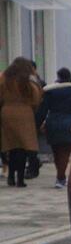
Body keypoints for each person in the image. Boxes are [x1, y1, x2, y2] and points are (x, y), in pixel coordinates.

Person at [36, 68, 71, 188]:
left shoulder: (50, 92)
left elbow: (43, 110)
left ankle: (61, 177)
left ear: (58, 77)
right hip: (69, 124)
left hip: (52, 123)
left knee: (56, 151)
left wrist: (36, 124)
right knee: (65, 152)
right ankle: (61, 178)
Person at [0, 58, 42, 187]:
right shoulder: (27, 81)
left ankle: (11, 176)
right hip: (25, 113)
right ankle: (20, 179)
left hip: (7, 112)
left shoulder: (4, 79)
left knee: (11, 146)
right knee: (23, 147)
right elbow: (36, 98)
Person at [25, 61, 46, 179]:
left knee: (31, 144)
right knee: (29, 144)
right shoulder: (37, 82)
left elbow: (43, 102)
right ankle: (33, 163)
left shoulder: (38, 83)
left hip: (34, 116)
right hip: (30, 117)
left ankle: (32, 165)